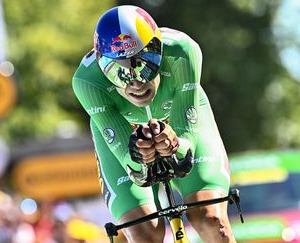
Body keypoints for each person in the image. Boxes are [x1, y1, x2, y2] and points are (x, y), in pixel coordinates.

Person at [72, 5, 236, 243]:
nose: (136, 82)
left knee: (210, 219)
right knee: (143, 231)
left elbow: (186, 143)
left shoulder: (182, 51)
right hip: (125, 135)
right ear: (101, 64)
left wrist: (177, 144)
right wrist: (139, 156)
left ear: (158, 51)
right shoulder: (87, 81)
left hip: (181, 121)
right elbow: (132, 167)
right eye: (119, 72)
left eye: (144, 64)